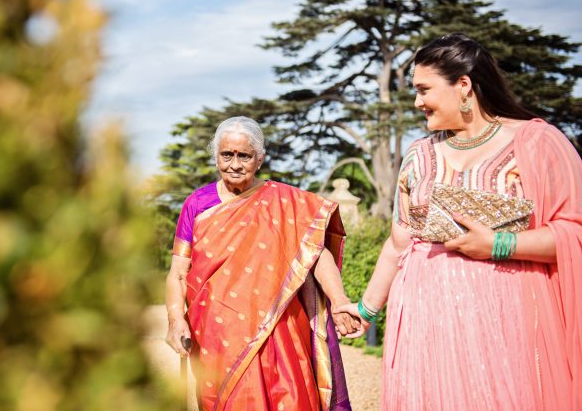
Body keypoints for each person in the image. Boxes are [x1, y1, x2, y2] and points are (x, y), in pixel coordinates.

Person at [337, 33, 582, 410]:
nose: (417, 102)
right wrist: (366, 311)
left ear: (463, 85)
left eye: (424, 89)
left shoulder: (536, 144)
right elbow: (398, 245)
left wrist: (501, 245)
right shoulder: (418, 155)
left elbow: (574, 234)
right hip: (425, 326)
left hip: (506, 325)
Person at [164, 116, 355, 411]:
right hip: (218, 335)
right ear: (216, 155)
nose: (235, 164)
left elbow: (316, 252)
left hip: (281, 327)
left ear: (260, 158)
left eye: (245, 155)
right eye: (227, 155)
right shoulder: (197, 204)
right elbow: (178, 273)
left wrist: (340, 300)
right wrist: (176, 319)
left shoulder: (286, 201)